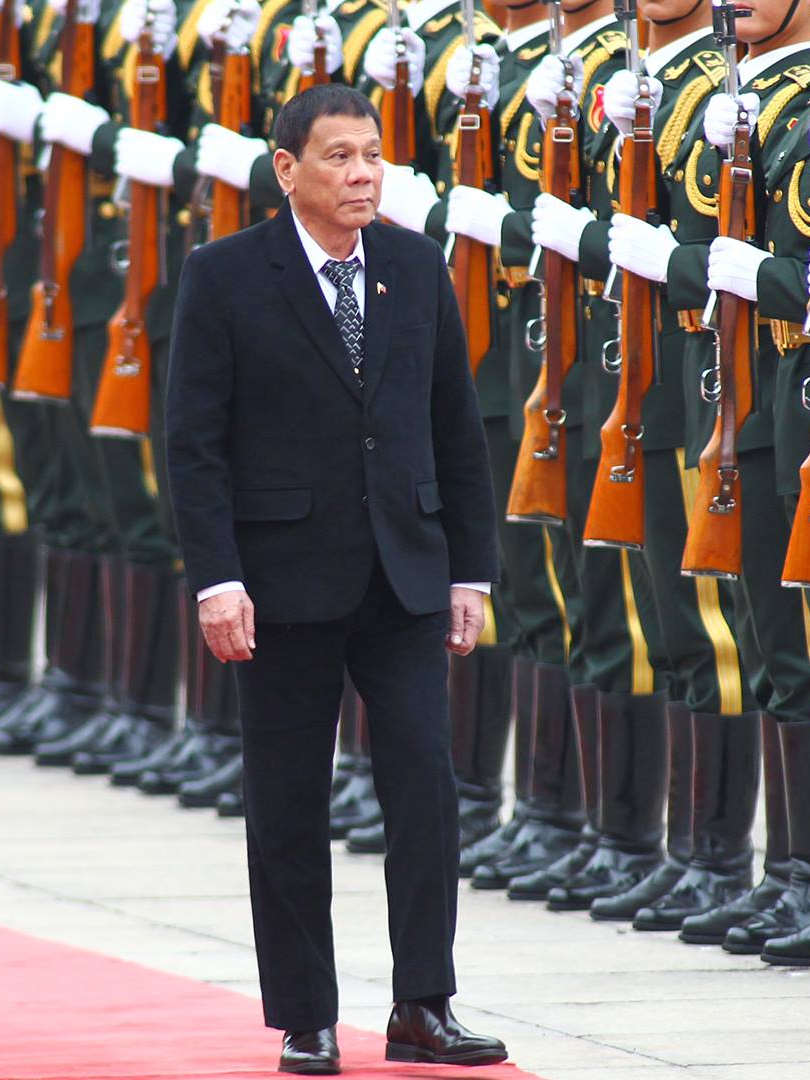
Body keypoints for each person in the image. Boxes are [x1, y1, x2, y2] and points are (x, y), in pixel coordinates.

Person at [165, 82, 507, 1075]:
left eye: (373, 155)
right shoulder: (225, 275)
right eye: (339, 157)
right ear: (287, 169)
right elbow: (194, 446)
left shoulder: (414, 264)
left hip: (404, 577)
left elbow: (456, 428)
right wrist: (216, 579)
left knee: (425, 791)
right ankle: (306, 1014)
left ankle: (424, 1005)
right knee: (287, 804)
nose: (363, 175)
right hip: (280, 584)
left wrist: (470, 571)